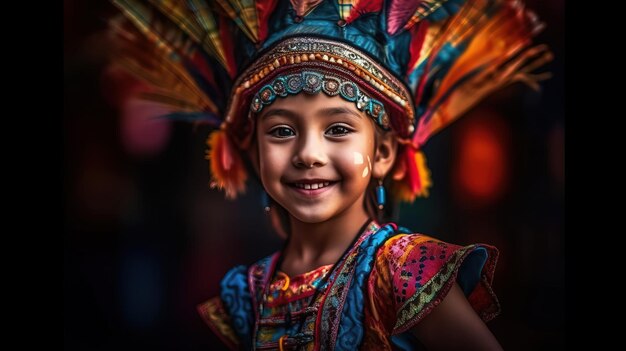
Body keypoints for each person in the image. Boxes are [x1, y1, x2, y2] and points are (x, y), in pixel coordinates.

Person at [108, 0, 551, 349]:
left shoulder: (401, 272)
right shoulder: (250, 291)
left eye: (337, 129)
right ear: (252, 148)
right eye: (282, 131)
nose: (308, 154)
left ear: (382, 152)